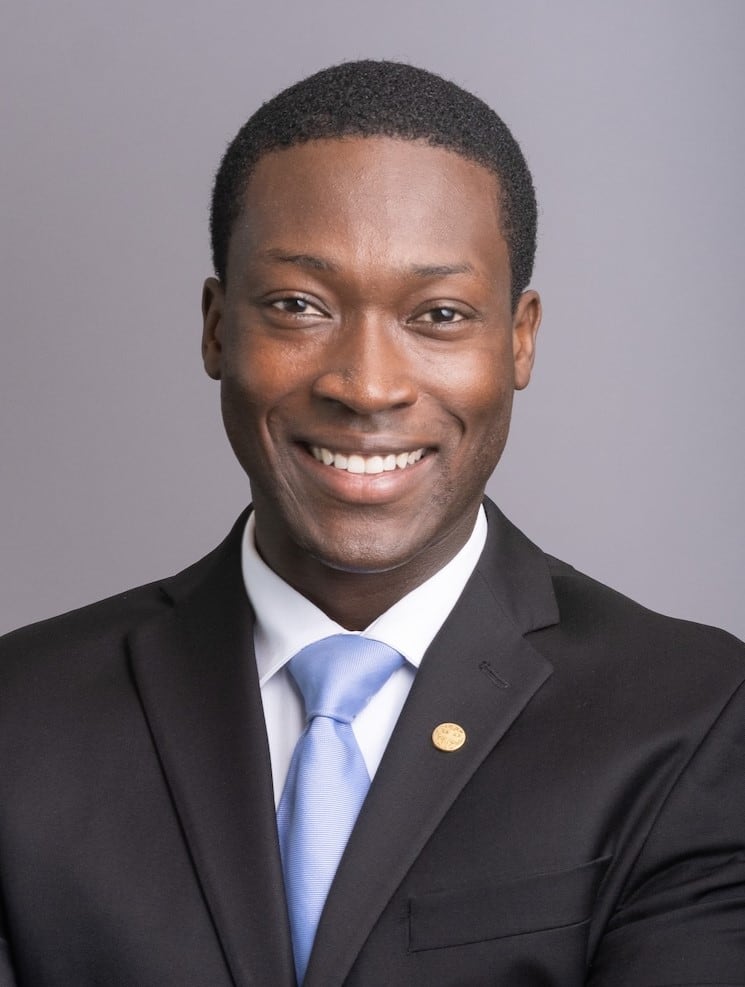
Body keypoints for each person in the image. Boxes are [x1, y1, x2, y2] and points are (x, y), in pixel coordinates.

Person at [1, 60, 744, 987]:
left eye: (438, 314)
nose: (366, 385)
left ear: (518, 339)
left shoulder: (695, 714)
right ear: (216, 327)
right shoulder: (21, 713)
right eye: (298, 306)